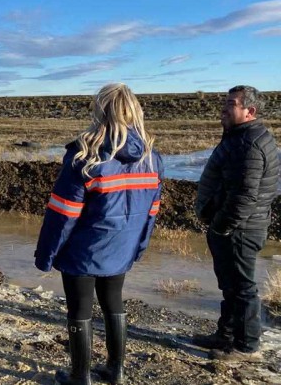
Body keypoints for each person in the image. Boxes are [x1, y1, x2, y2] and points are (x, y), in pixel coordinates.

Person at [34, 83, 163, 385]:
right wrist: (139, 247)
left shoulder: (85, 155)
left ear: (99, 111)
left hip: (83, 251)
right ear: (134, 111)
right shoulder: (151, 157)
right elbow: (151, 211)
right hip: (121, 248)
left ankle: (81, 378)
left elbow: (61, 214)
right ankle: (115, 371)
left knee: (80, 308)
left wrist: (46, 255)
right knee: (113, 302)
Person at [193, 85, 279, 362]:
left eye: (231, 104)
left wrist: (222, 226)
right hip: (238, 227)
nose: (223, 109)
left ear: (249, 111)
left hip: (240, 230)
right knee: (231, 285)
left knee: (242, 288)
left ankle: (245, 346)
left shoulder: (248, 144)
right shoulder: (241, 137)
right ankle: (226, 335)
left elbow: (245, 195)